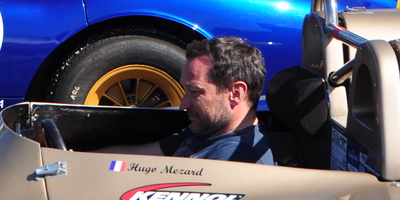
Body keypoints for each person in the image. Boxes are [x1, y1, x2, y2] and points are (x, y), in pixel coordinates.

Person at [95, 36, 274, 164]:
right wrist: (84, 161)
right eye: (185, 90)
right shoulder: (208, 129)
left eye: (195, 92)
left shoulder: (235, 160)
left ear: (235, 93)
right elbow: (139, 155)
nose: (183, 105)